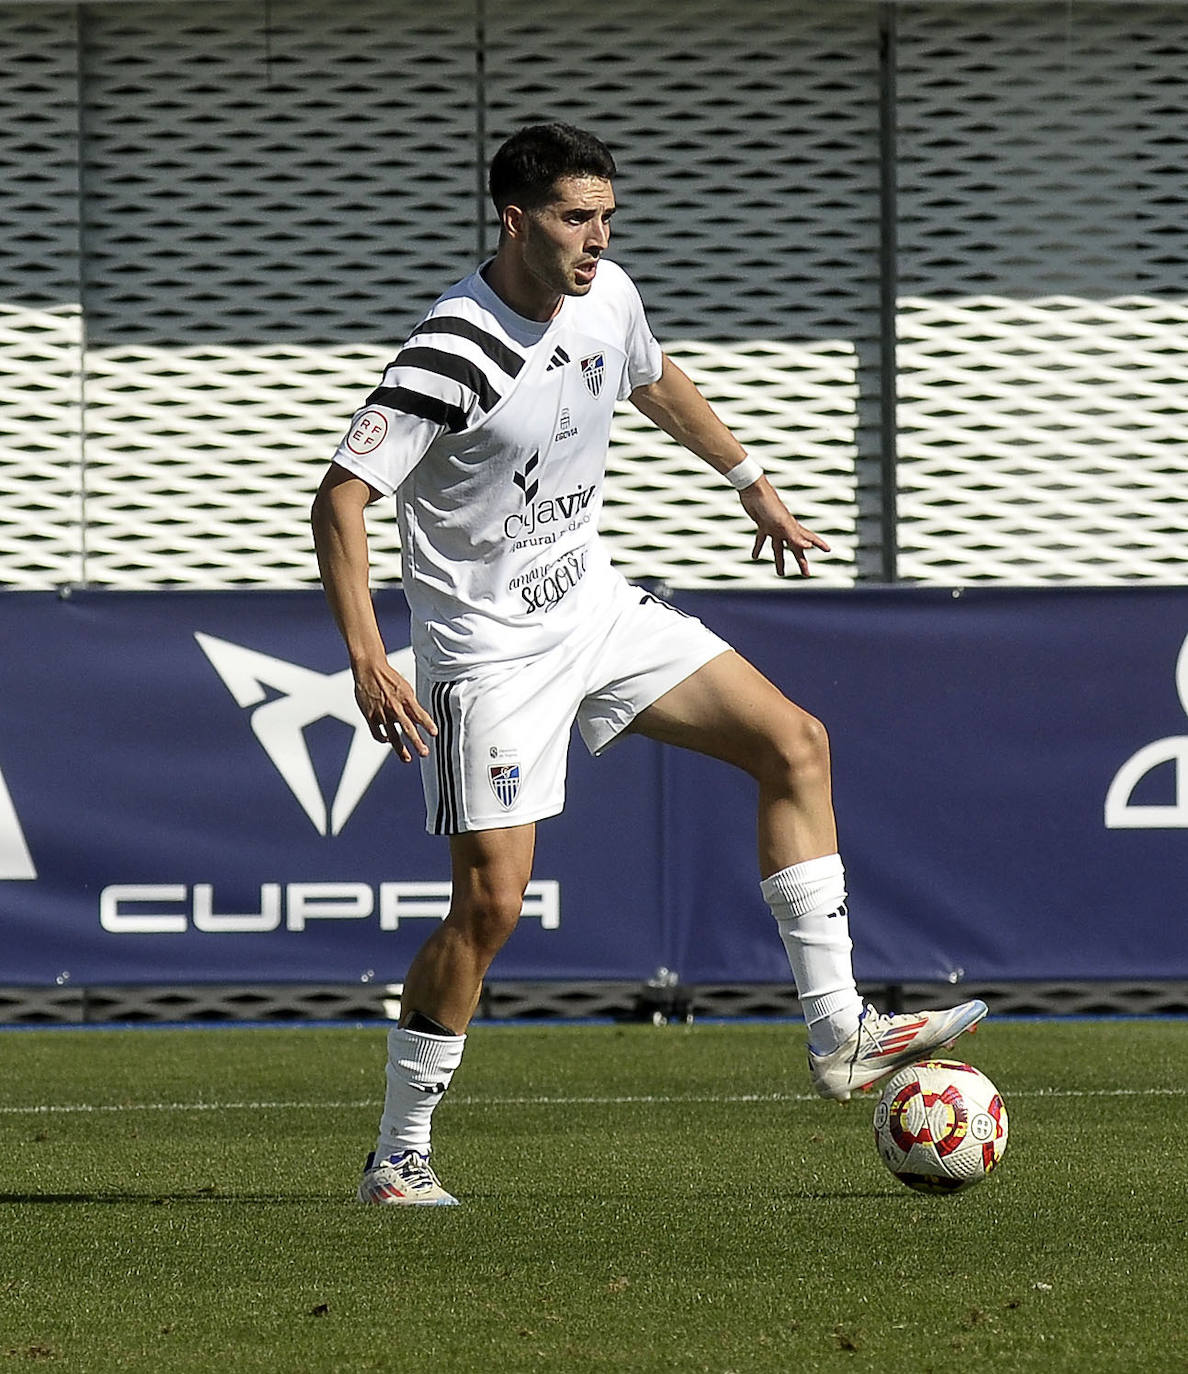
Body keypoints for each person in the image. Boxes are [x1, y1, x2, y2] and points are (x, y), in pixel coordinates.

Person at [311, 122, 985, 1207]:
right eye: (577, 218)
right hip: (489, 655)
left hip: (596, 605)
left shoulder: (607, 295)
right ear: (516, 219)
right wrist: (364, 658)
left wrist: (749, 476)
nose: (598, 238)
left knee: (794, 742)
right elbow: (339, 496)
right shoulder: (451, 350)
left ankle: (840, 1036)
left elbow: (654, 379)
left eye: (607, 217)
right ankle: (398, 1155)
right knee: (490, 908)